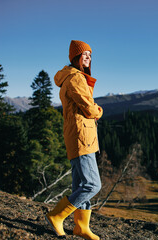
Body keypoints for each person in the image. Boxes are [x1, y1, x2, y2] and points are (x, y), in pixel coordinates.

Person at [46, 40, 103, 240]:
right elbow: (89, 108)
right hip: (82, 137)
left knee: (80, 184)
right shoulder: (75, 78)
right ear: (75, 57)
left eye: (89, 55)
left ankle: (81, 227)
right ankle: (56, 215)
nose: (87, 58)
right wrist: (99, 111)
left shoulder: (71, 77)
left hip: (79, 136)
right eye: (84, 55)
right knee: (92, 185)